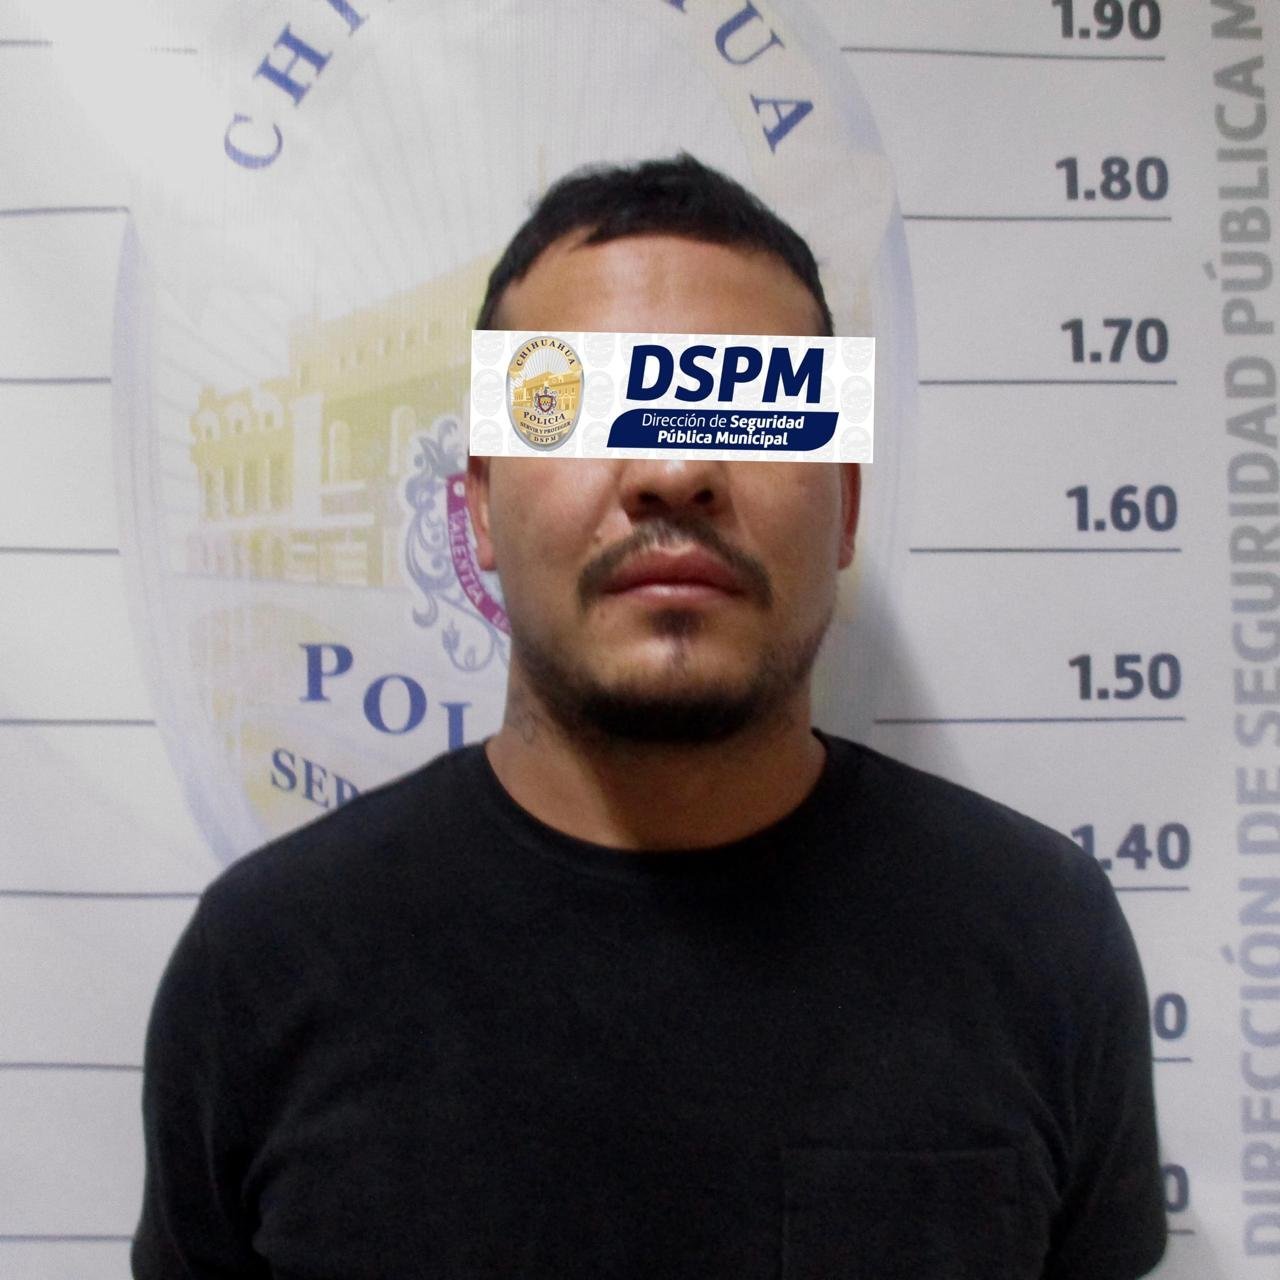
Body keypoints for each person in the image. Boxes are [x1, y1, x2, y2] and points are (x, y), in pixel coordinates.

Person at [133, 155, 1167, 1279]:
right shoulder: (264, 964)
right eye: (574, 404)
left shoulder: (1040, 941)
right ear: (476, 506)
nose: (674, 466)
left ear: (845, 507)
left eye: (755, 400)